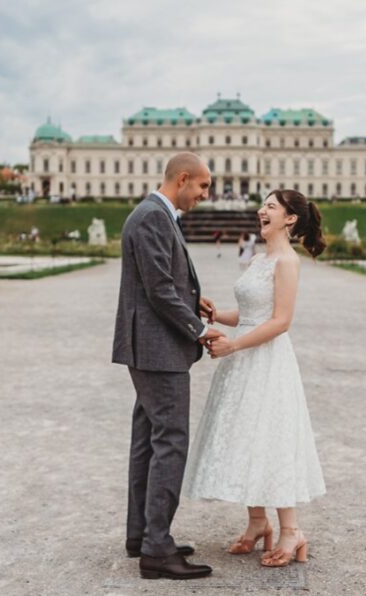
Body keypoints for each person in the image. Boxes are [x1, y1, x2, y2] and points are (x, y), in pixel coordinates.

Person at [183, 189, 327, 568]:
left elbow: (280, 321)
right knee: (247, 436)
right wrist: (214, 314)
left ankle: (292, 530)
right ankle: (258, 522)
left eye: (270, 206)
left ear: (290, 218)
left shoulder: (287, 262)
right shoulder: (261, 258)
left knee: (272, 437)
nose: (261, 210)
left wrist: (234, 346)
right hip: (245, 356)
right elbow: (250, 312)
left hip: (266, 359)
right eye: (263, 205)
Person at [111, 152, 222, 581]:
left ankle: (142, 534)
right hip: (158, 350)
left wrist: (195, 301)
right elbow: (158, 289)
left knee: (148, 437)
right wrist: (198, 329)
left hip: (148, 347)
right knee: (171, 440)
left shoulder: (153, 214)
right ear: (182, 179)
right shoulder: (154, 217)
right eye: (202, 186)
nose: (205, 195)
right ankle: (157, 549)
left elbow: (158, 281)